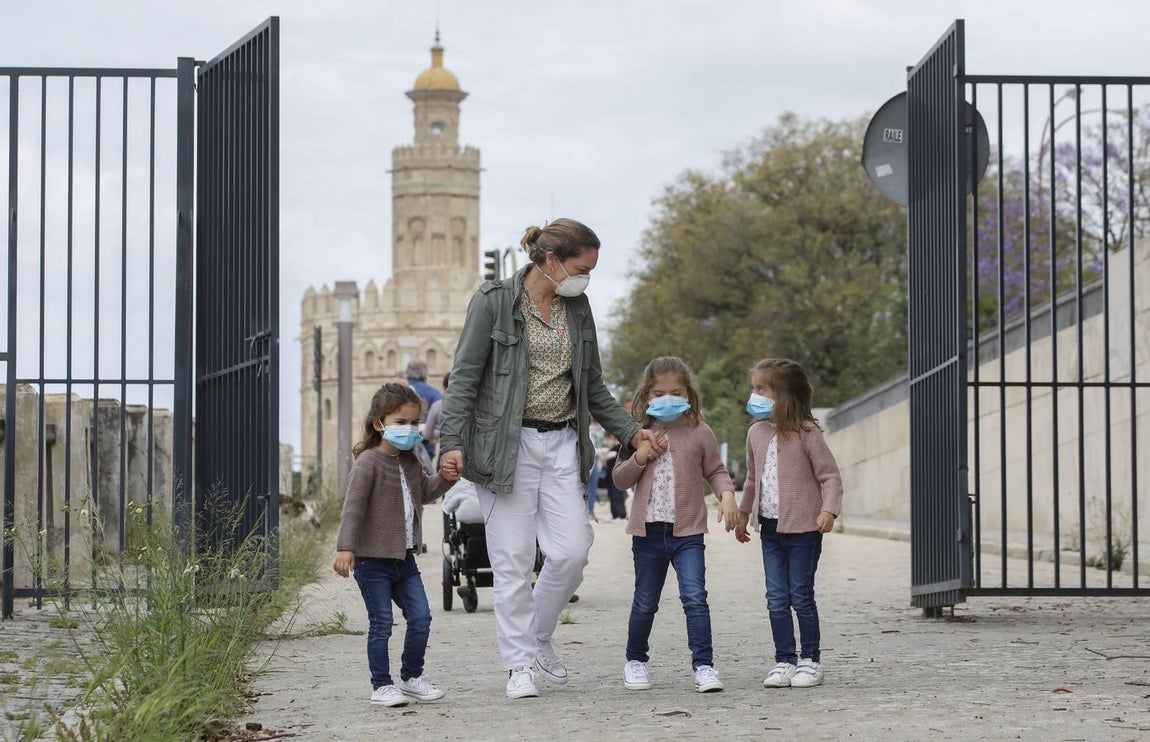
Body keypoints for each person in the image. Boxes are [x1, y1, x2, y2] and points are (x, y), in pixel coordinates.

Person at [438, 218, 666, 700]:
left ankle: (538, 635)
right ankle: (518, 665)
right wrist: (451, 442)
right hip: (505, 447)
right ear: (550, 260)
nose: (587, 278)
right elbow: (464, 378)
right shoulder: (493, 301)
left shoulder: (577, 307)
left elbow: (593, 385)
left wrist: (631, 432)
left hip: (563, 442)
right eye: (582, 268)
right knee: (513, 559)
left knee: (571, 551)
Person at [611, 356, 739, 694]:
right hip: (648, 534)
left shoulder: (700, 432)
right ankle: (635, 661)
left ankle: (704, 666)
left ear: (688, 394)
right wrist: (640, 456)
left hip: (688, 533)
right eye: (659, 393)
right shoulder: (637, 434)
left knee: (695, 598)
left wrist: (727, 495)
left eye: (676, 392)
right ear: (647, 396)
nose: (668, 398)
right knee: (645, 601)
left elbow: (716, 470)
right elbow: (620, 479)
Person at [332, 383, 459, 707]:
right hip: (372, 561)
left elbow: (425, 492)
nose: (410, 429)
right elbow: (353, 508)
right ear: (379, 424)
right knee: (382, 623)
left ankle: (411, 678)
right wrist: (346, 547)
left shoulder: (410, 461)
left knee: (421, 617)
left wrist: (447, 477)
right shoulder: (367, 463)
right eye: (401, 422)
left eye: (414, 423)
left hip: (404, 559)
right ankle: (381, 685)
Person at [734, 358, 843, 690]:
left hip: (804, 531)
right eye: (753, 388)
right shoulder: (755, 433)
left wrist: (829, 510)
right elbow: (751, 479)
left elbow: (830, 477)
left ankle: (810, 660)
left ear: (784, 395)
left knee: (800, 595)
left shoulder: (807, 433)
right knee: (776, 597)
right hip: (770, 530)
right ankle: (784, 659)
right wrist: (743, 513)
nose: (754, 395)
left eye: (761, 389)